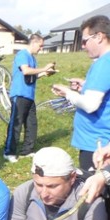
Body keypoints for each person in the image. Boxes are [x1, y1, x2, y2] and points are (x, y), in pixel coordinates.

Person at [52, 15, 110, 172]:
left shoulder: (104, 63)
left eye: (85, 41)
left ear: (99, 37)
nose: (83, 46)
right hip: (100, 142)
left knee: (95, 192)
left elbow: (90, 105)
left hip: (97, 145)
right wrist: (85, 87)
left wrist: (67, 93)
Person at [3, 35, 56, 163]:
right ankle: (9, 152)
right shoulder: (23, 54)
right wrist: (44, 68)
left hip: (29, 96)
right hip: (19, 94)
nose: (41, 48)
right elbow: (26, 71)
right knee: (16, 124)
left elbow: (32, 76)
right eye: (40, 45)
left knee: (31, 124)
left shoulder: (33, 58)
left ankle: (27, 150)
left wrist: (45, 73)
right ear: (33, 43)